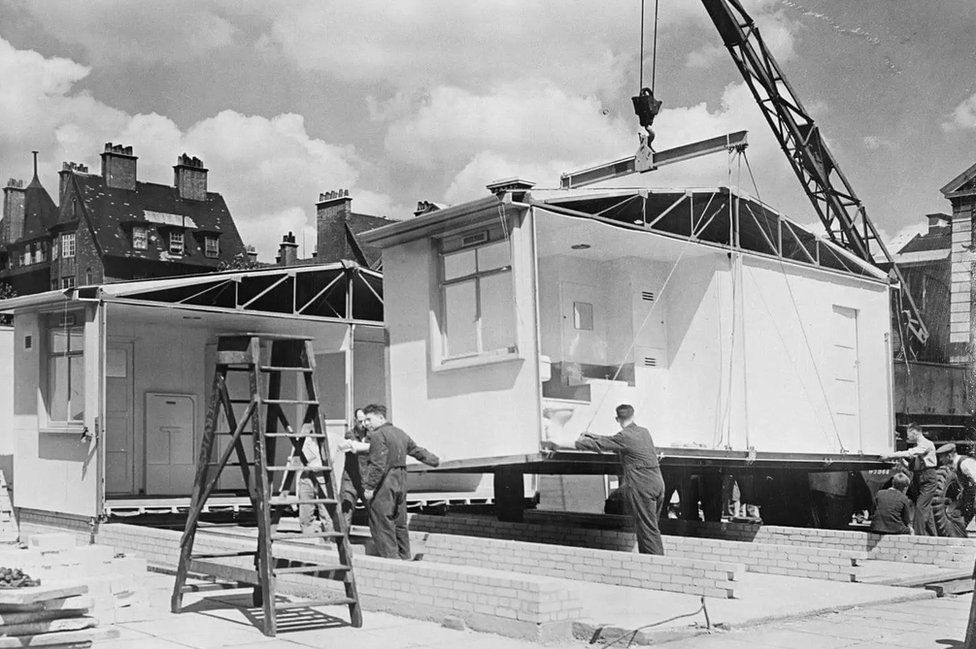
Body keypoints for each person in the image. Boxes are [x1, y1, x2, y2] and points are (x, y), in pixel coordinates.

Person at [574, 404, 666, 555]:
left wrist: (578, 442)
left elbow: (602, 444)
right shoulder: (644, 432)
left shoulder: (623, 437)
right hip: (658, 483)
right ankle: (654, 562)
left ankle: (655, 566)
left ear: (617, 419)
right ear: (634, 416)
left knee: (647, 529)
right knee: (651, 527)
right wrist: (591, 434)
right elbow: (611, 439)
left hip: (642, 485)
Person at [362, 404, 439, 559]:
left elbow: (378, 464)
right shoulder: (401, 433)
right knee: (400, 521)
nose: (366, 424)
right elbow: (417, 451)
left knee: (381, 521)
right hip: (401, 480)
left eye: (369, 419)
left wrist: (369, 487)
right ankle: (405, 556)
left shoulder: (378, 435)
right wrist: (434, 460)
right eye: (365, 421)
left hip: (386, 481)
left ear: (381, 418)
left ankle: (392, 559)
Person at [881, 422, 937, 536]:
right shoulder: (918, 446)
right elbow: (912, 467)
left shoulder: (926, 444)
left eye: (908, 434)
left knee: (920, 509)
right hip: (919, 477)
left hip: (927, 478)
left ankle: (918, 537)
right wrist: (902, 461)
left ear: (914, 432)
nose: (907, 437)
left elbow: (910, 453)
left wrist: (890, 455)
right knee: (927, 510)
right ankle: (933, 537)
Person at [292, 422, 333, 539]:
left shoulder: (329, 438)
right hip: (306, 474)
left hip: (322, 474)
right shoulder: (302, 440)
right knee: (305, 508)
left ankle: (328, 537)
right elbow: (294, 461)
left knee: (325, 509)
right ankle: (308, 536)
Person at [337, 408, 371, 530]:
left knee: (374, 511)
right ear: (355, 420)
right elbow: (354, 447)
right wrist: (373, 447)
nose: (363, 425)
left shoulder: (372, 435)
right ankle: (343, 544)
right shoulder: (349, 434)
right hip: (350, 480)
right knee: (346, 511)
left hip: (366, 480)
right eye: (360, 421)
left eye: (365, 421)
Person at [935, 443, 976, 537]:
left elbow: (974, 480)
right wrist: (963, 492)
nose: (941, 460)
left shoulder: (965, 463)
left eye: (942, 457)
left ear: (949, 456)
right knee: (954, 515)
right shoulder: (956, 465)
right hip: (970, 494)